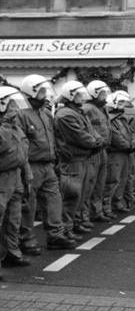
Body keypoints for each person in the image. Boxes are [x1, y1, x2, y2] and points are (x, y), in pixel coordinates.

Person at [16, 75, 76, 252]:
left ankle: (55, 235)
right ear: (31, 91)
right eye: (41, 91)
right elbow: (21, 142)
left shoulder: (46, 113)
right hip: (31, 164)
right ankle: (25, 239)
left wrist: (55, 158)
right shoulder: (21, 114)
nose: (45, 94)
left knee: (53, 199)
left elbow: (52, 137)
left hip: (48, 164)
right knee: (29, 203)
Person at [54, 81, 104, 242]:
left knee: (80, 194)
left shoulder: (78, 112)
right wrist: (96, 142)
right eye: (78, 95)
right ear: (70, 96)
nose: (82, 98)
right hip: (71, 160)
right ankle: (65, 228)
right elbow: (80, 136)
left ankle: (73, 224)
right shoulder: (66, 114)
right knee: (71, 194)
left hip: (81, 158)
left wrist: (96, 140)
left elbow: (90, 131)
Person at [0, 86, 33, 273]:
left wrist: (27, 175)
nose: (15, 110)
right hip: (2, 177)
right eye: (11, 105)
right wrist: (5, 125)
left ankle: (11, 253)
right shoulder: (5, 128)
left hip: (15, 176)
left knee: (13, 220)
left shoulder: (15, 127)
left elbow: (23, 153)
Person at [81, 80, 112, 224]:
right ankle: (84, 215)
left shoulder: (103, 108)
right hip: (93, 151)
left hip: (103, 150)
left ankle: (96, 212)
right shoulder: (87, 108)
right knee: (89, 184)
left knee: (100, 183)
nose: (105, 96)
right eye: (102, 93)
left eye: (105, 93)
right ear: (94, 93)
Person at [103, 91, 135, 215]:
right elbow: (115, 136)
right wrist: (129, 145)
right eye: (121, 102)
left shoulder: (122, 118)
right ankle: (107, 207)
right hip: (115, 153)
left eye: (124, 102)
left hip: (125, 153)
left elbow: (131, 132)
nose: (123, 105)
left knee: (123, 179)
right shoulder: (111, 119)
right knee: (112, 180)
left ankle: (117, 203)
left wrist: (133, 142)